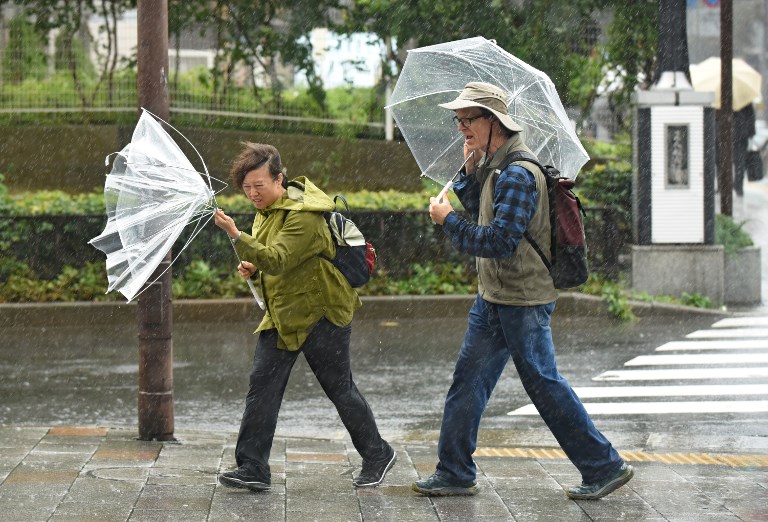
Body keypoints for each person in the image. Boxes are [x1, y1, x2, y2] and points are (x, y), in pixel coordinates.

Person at [413, 82, 633, 500]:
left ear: (494, 122)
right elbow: (485, 210)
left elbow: (499, 241)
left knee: (544, 384)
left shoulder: (517, 173)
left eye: (467, 119)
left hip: (523, 300)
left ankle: (604, 465)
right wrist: (469, 174)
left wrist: (447, 221)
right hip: (495, 297)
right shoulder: (496, 165)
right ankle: (455, 471)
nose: (461, 128)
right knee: (468, 382)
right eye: (458, 120)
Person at [213, 142, 395, 492]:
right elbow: (276, 263)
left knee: (339, 388)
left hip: (321, 313)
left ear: (279, 179)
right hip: (284, 314)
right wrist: (255, 269)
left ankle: (378, 454)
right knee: (262, 387)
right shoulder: (267, 211)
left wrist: (236, 235)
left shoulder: (304, 215)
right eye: (247, 187)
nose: (252, 194)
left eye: (259, 185)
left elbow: (280, 258)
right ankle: (253, 466)